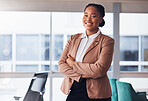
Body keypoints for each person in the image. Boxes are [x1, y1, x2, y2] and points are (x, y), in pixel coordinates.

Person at [58, 3, 114, 101]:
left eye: (93, 16)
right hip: (74, 88)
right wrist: (80, 76)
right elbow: (61, 65)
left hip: (98, 93)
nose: (88, 19)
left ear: (101, 19)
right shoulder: (73, 38)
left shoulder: (107, 41)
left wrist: (73, 64)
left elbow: (99, 70)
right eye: (86, 15)